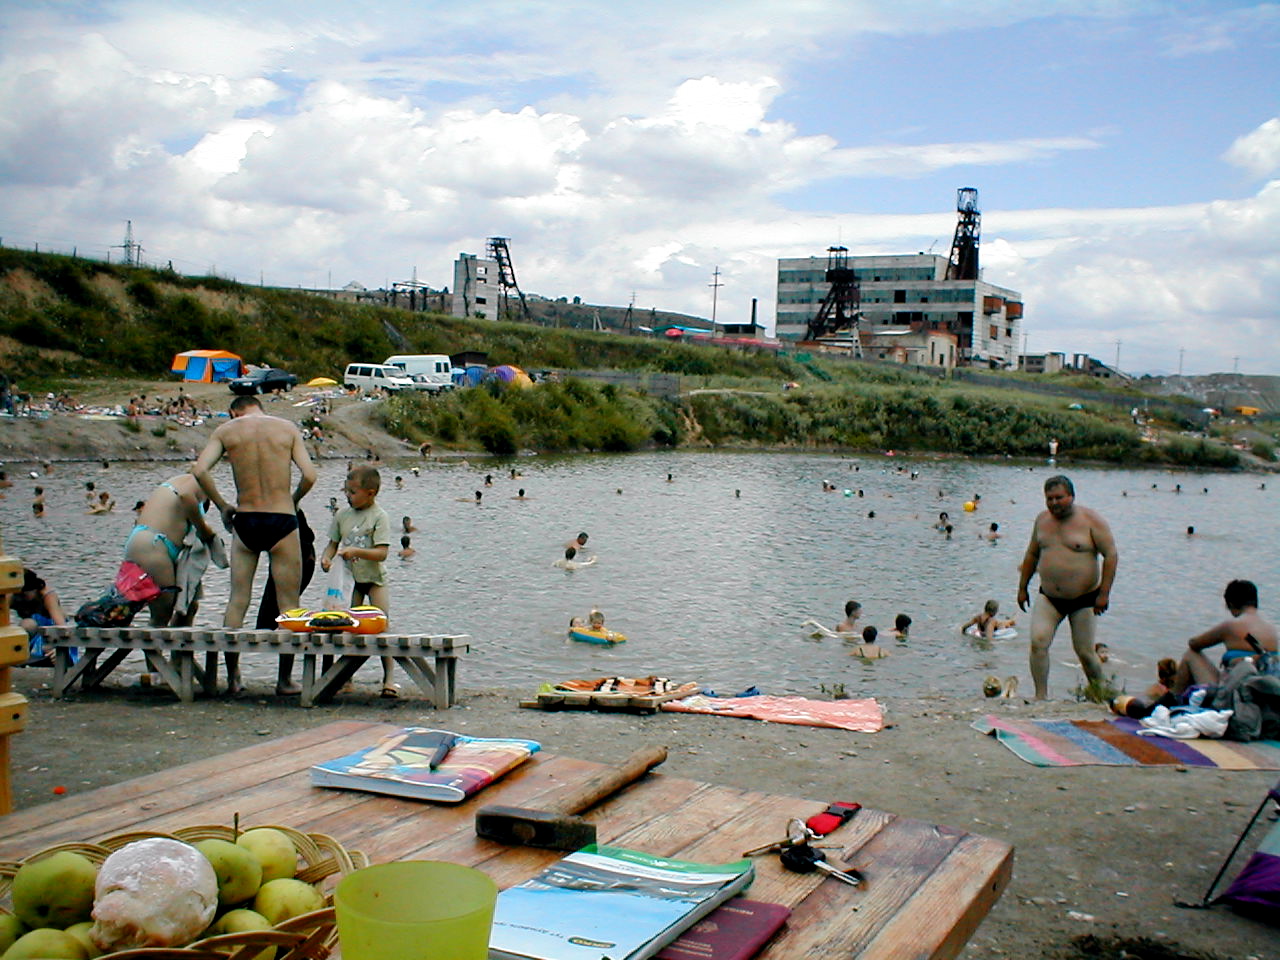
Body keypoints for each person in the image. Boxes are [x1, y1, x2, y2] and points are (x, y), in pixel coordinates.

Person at [191, 394, 317, 696]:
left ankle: (233, 678)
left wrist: (223, 505)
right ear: (260, 406)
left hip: (246, 519)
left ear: (233, 412)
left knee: (237, 600)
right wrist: (293, 500)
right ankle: (284, 681)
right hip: (282, 519)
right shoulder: (286, 428)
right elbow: (310, 475)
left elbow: (199, 471)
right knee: (288, 606)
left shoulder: (227, 431)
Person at [1017, 475, 1117, 700]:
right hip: (1050, 597)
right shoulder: (1042, 520)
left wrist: (1104, 593)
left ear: (1071, 496)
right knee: (1038, 643)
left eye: (1059, 498)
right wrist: (1022, 587)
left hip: (1084, 598)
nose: (1054, 503)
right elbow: (1032, 554)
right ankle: (1040, 697)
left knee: (1085, 653)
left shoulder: (1092, 520)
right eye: (1049, 499)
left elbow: (1111, 555)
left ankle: (1100, 696)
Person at [321, 466, 396, 697]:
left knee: (382, 625)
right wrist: (326, 557)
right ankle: (344, 678)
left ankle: (389, 679)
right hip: (351, 581)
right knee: (346, 624)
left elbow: (382, 553)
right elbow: (333, 543)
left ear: (371, 493)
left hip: (374, 580)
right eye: (347, 491)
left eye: (353, 492)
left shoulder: (378, 516)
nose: (348, 496)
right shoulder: (342, 515)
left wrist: (356, 551)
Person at [126, 474, 224, 626]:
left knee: (190, 604)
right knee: (161, 615)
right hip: (154, 544)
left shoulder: (179, 483)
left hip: (149, 542)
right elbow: (186, 495)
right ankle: (154, 649)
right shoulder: (197, 479)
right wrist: (204, 530)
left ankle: (180, 648)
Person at [1171, 579, 1278, 695]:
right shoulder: (1271, 629)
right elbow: (1258, 650)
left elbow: (1194, 644)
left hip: (1234, 693)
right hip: (1263, 690)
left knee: (1191, 655)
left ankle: (1172, 700)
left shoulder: (1231, 626)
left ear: (1231, 604)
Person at [14, 569, 67, 664]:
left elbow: (62, 627)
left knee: (28, 624)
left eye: (23, 594)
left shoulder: (47, 596)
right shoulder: (13, 596)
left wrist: (59, 648)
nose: (19, 597)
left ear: (34, 589)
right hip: (30, 633)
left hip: (51, 631)